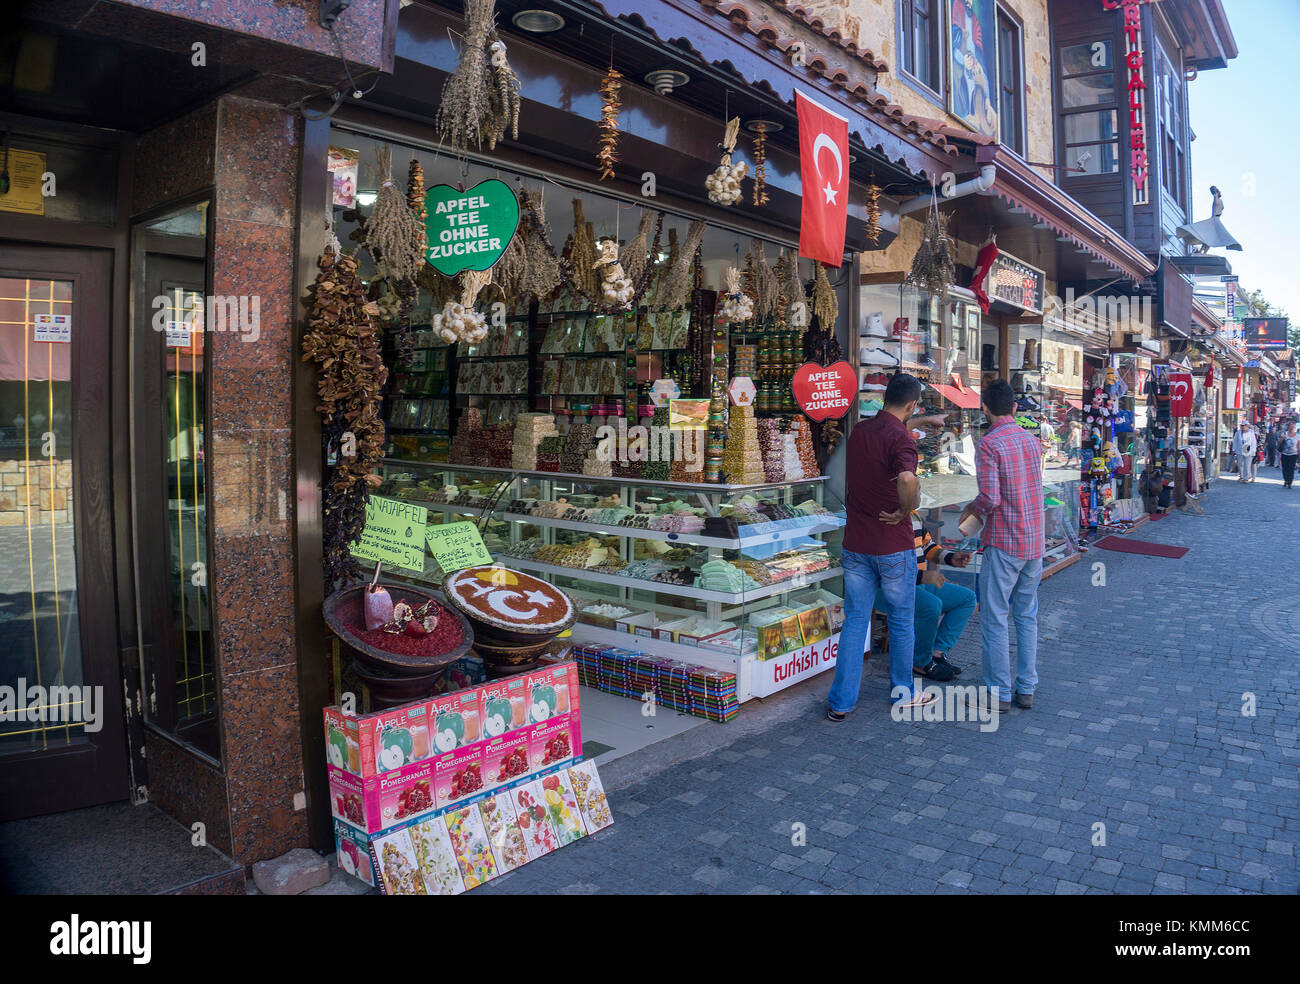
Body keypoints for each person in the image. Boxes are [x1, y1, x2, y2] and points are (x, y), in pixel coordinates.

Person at [827, 373, 935, 720]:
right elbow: (906, 477)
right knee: (902, 621)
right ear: (913, 404)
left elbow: (891, 423)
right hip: (891, 545)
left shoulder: (861, 431)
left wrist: (919, 420)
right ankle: (903, 694)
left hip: (856, 543)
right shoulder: (902, 441)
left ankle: (840, 703)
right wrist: (905, 509)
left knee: (856, 621)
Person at [958, 380, 1044, 714]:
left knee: (995, 617)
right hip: (1034, 541)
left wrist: (971, 511)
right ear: (1014, 408)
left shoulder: (989, 444)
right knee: (1027, 615)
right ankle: (1027, 687)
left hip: (1006, 541)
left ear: (985, 409)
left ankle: (999, 693)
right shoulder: (1031, 440)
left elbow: (990, 498)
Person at [873, 513, 975, 682]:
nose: (919, 494)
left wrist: (951, 558)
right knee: (931, 605)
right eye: (917, 489)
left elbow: (927, 546)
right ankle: (920, 662)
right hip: (891, 587)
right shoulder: (886, 516)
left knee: (967, 599)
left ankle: (937, 653)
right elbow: (886, 567)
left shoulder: (913, 515)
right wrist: (922, 577)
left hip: (917, 582)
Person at [1280, 422, 1299, 489]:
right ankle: (1286, 479)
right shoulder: (1284, 434)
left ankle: (1289, 482)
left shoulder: (1297, 436)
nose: (1292, 428)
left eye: (1293, 427)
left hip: (1293, 454)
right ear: (1288, 427)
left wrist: (1299, 455)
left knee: (1291, 469)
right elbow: (1279, 442)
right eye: (1291, 426)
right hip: (1285, 454)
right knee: (1285, 468)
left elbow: (1298, 446)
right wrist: (1283, 438)